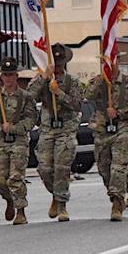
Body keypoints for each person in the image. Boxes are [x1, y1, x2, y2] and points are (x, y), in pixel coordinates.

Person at [27, 44, 83, 222]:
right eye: (55, 63)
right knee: (44, 168)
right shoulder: (43, 79)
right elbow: (28, 98)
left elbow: (76, 105)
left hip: (65, 129)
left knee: (61, 168)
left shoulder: (72, 82)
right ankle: (55, 194)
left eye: (60, 64)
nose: (57, 67)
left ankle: (61, 204)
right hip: (47, 129)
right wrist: (43, 79)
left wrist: (58, 93)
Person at [86, 54, 128, 221]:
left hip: (123, 129)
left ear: (119, 61)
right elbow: (87, 96)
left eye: (113, 61)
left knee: (118, 166)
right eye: (105, 62)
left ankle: (118, 202)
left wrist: (119, 112)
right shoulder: (97, 82)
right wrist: (101, 79)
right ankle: (115, 193)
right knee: (104, 169)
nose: (110, 64)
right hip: (102, 131)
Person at [0, 57, 37, 225]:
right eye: (5, 75)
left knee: (15, 177)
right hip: (0, 141)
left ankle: (21, 211)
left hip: (18, 141)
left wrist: (13, 128)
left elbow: (31, 120)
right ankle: (9, 199)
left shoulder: (25, 97)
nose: (8, 78)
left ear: (16, 76)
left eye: (11, 74)